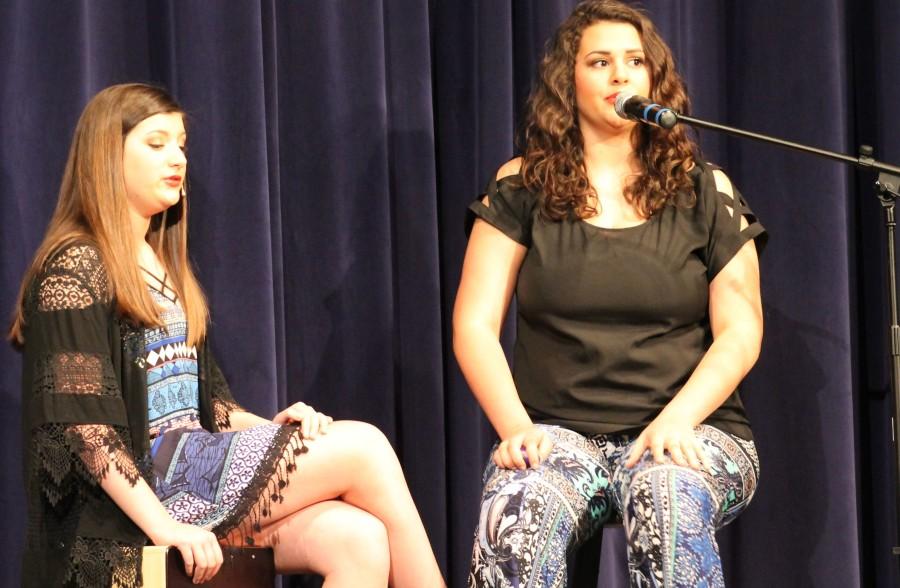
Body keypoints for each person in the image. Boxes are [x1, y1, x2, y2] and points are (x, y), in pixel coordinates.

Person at [9, 83, 445, 588]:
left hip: (193, 467)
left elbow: (210, 407)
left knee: (359, 538)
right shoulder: (76, 268)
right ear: (107, 155)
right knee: (366, 447)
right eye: (156, 143)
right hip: (144, 496)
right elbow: (86, 432)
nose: (177, 158)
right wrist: (164, 527)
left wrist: (275, 432)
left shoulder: (162, 263)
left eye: (182, 144)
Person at [453, 1, 765, 586]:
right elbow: (473, 323)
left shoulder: (705, 190)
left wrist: (677, 420)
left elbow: (741, 330)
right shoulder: (522, 186)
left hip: (694, 431)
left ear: (654, 80)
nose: (621, 75)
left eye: (634, 62)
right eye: (600, 62)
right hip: (561, 436)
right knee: (519, 514)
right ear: (567, 83)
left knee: (664, 494)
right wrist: (515, 426)